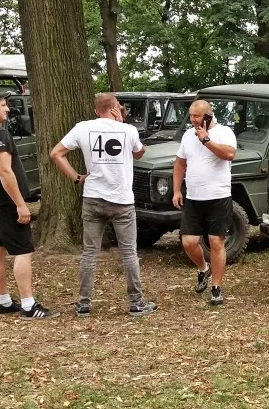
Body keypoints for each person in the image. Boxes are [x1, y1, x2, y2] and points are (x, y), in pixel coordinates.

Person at [50, 93, 157, 317]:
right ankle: (136, 302)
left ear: (96, 110)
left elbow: (56, 153)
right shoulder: (128, 130)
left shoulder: (82, 128)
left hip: (93, 197)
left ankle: (84, 303)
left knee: (90, 252)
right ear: (117, 108)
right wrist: (122, 124)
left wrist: (77, 178)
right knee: (129, 252)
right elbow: (139, 153)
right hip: (122, 200)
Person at [0, 91, 54, 319]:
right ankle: (28, 305)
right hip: (5, 201)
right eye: (3, 105)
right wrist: (20, 203)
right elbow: (4, 171)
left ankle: (4, 301)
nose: (7, 109)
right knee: (23, 250)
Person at [172, 98, 237, 305]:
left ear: (208, 115)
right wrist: (176, 190)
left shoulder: (224, 132)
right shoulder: (187, 135)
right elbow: (180, 163)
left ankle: (217, 287)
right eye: (191, 116)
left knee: (216, 242)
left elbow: (229, 154)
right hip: (193, 197)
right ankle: (203, 268)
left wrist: (206, 140)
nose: (193, 120)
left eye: (197, 116)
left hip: (218, 196)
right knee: (189, 242)